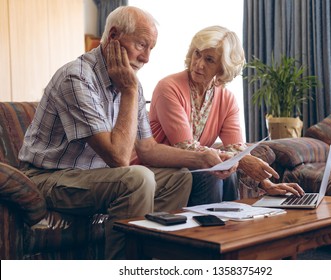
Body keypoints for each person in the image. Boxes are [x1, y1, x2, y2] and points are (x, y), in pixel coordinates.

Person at [18, 7, 232, 260]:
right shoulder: (76, 77)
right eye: (142, 45)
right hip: (46, 178)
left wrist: (203, 159)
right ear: (114, 36)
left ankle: (157, 257)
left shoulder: (132, 83)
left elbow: (148, 149)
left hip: (92, 177)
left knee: (180, 178)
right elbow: (118, 158)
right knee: (137, 178)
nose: (147, 58)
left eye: (151, 48)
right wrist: (129, 91)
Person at [149, 25, 305, 205]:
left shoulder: (227, 99)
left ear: (223, 68)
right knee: (214, 174)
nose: (199, 64)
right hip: (160, 166)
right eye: (197, 54)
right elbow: (185, 146)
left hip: (193, 167)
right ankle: (211, 231)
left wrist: (266, 183)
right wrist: (239, 160)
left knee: (226, 174)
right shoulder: (168, 87)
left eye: (209, 60)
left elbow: (237, 150)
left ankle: (234, 227)